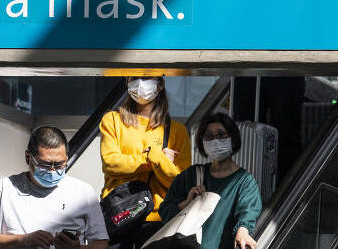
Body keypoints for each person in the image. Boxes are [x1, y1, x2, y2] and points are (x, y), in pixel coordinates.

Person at [0, 126, 108, 248]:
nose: (53, 170)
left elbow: (101, 244)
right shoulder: (4, 188)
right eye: (45, 165)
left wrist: (77, 248)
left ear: (66, 158)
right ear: (28, 158)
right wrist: (23, 240)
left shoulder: (83, 192)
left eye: (60, 164)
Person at [100, 76, 192, 248]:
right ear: (127, 81)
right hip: (120, 214)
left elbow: (179, 182)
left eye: (147, 77)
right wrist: (153, 159)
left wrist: (154, 157)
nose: (141, 83)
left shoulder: (177, 131)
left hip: (158, 219)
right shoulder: (112, 120)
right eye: (135, 78)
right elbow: (111, 164)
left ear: (161, 83)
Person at [159, 112, 262, 249]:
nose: (215, 140)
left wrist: (243, 231)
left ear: (233, 139)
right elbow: (165, 211)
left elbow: (247, 213)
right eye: (209, 136)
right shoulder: (191, 176)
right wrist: (186, 203)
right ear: (202, 141)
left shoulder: (244, 181)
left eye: (221, 135)